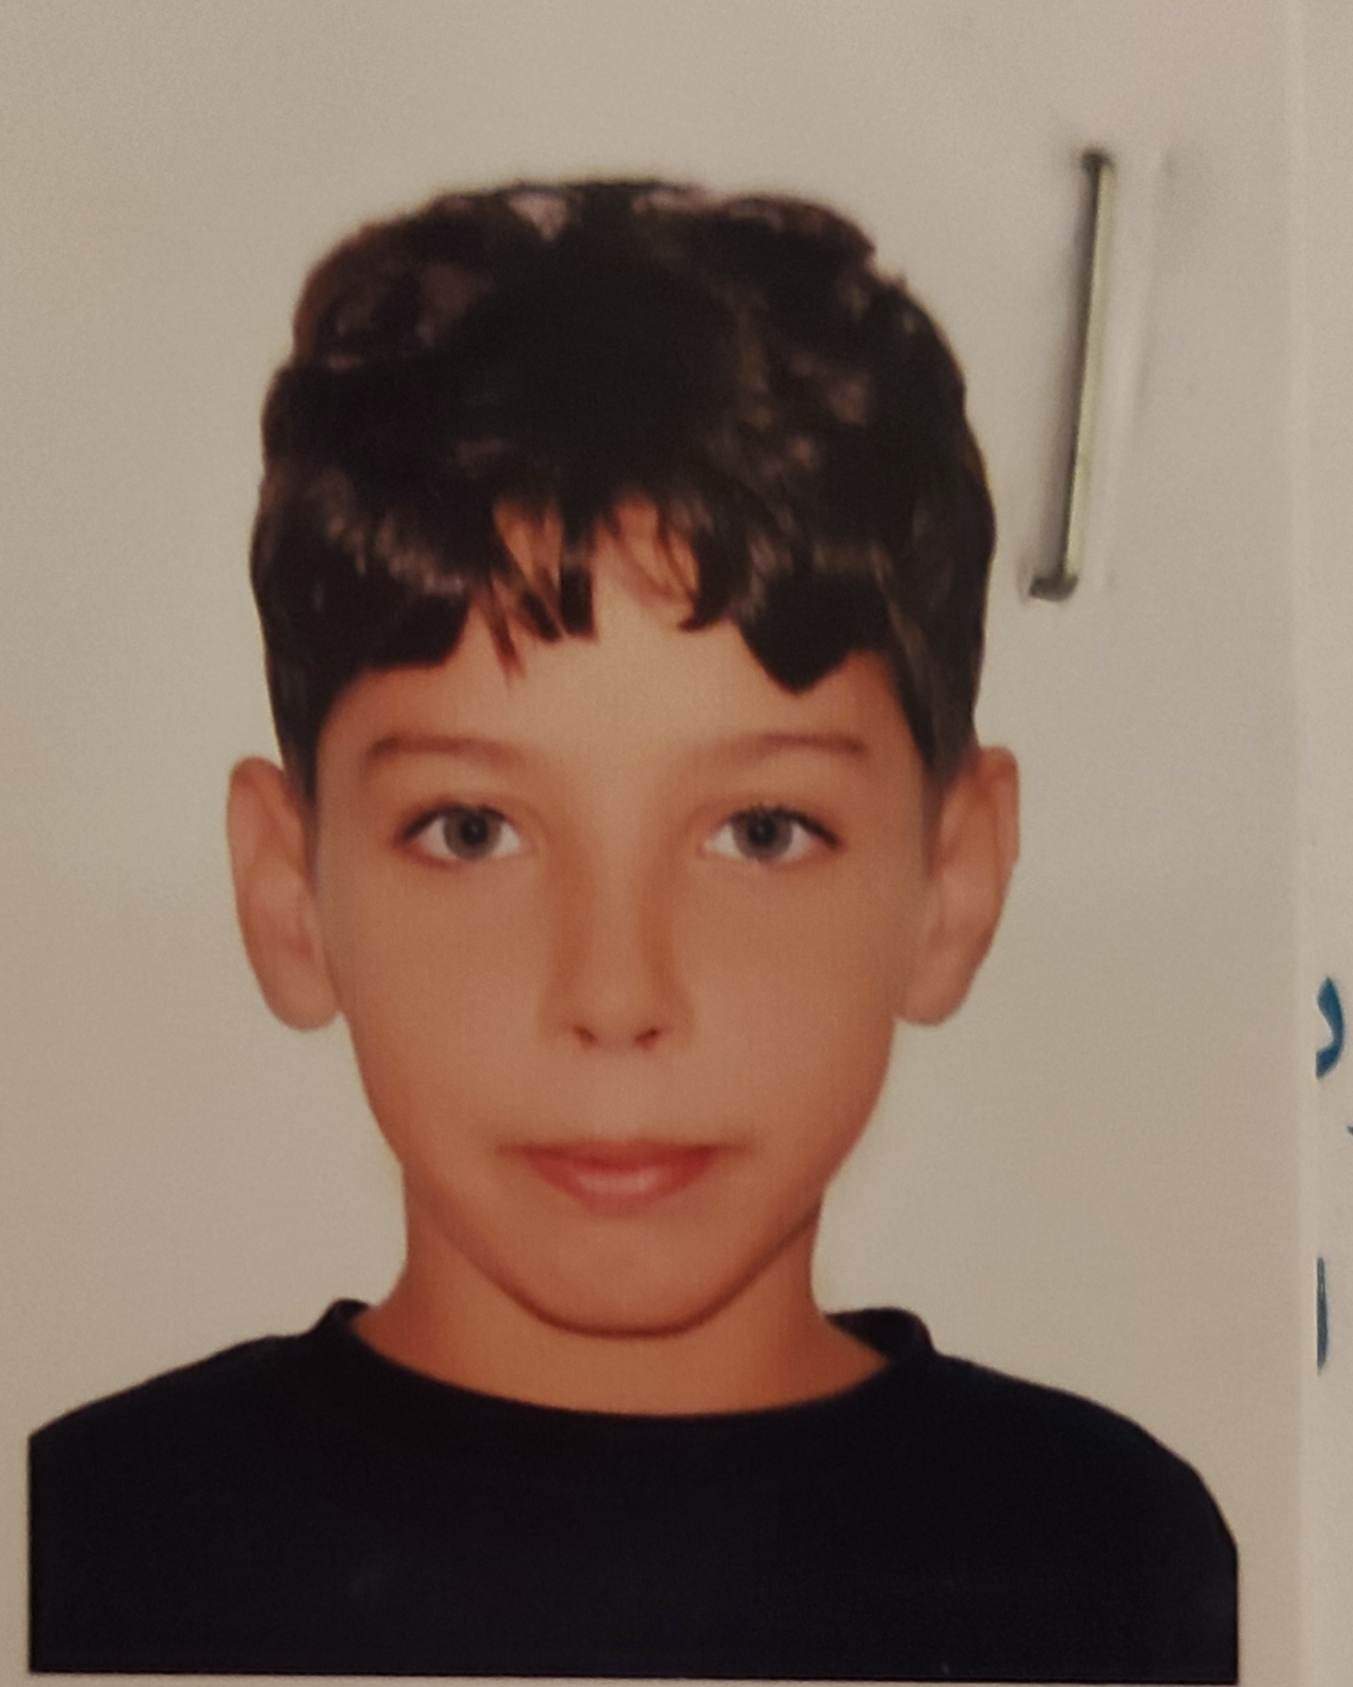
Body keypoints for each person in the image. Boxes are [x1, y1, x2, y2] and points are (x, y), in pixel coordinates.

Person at [28, 178, 1237, 1681]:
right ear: (290, 896)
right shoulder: (85, 1548)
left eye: (761, 831)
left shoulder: (1108, 1560)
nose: (613, 993)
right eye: (472, 830)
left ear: (953, 882)